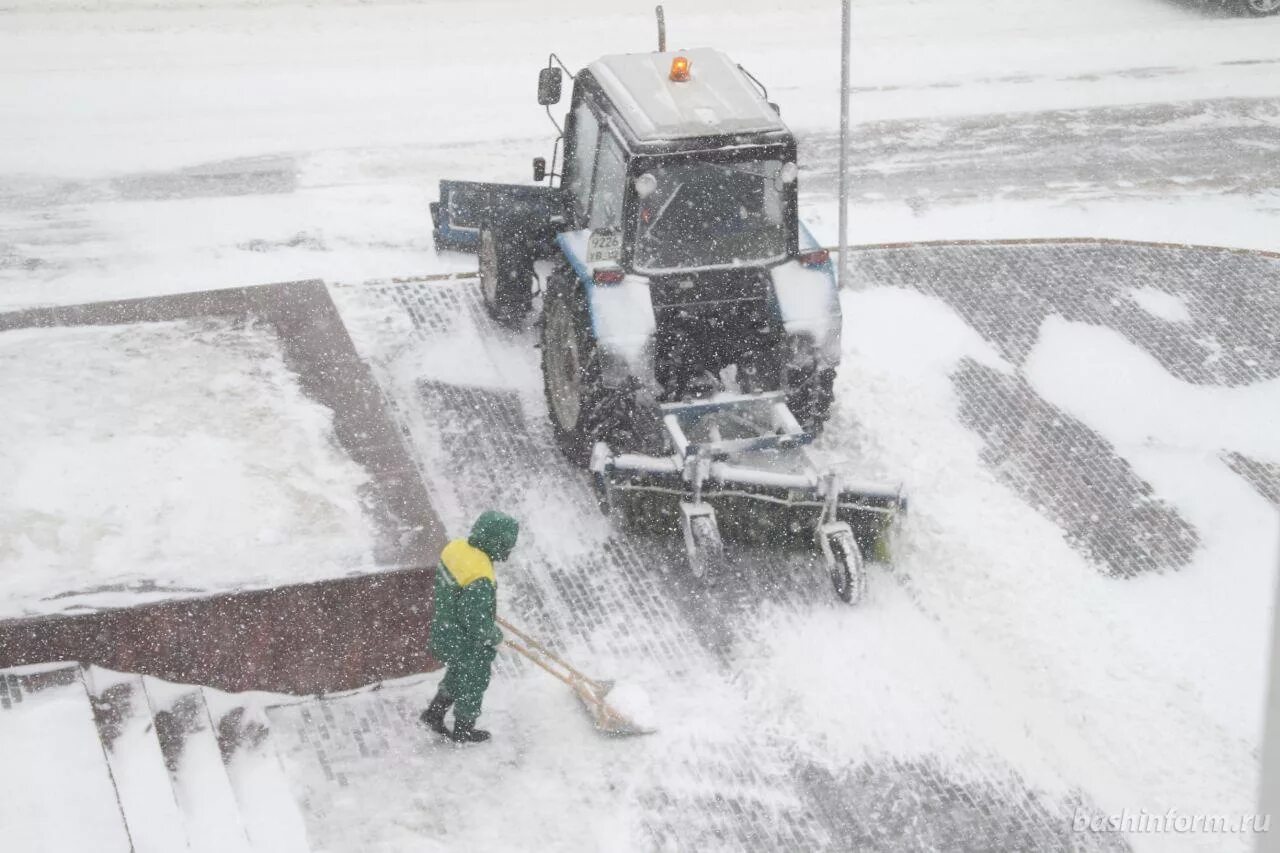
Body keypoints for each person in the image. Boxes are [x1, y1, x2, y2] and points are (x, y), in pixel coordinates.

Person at [420, 510, 519, 744]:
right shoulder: (480, 575)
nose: (507, 553)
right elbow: (475, 621)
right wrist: (496, 638)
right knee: (473, 682)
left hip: (445, 630)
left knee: (457, 674)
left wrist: (478, 607)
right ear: (495, 541)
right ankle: (463, 731)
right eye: (505, 546)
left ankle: (434, 714)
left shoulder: (457, 548)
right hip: (466, 640)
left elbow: (457, 594)